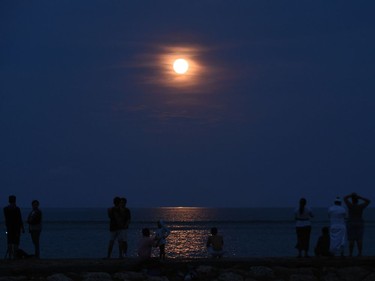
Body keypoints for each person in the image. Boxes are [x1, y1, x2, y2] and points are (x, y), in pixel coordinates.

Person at [344, 193, 371, 257]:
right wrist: (360, 197)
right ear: (357, 201)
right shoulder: (360, 206)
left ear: (352, 201)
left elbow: (345, 198)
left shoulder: (350, 205)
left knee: (351, 240)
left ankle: (350, 254)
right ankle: (360, 253)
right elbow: (368, 201)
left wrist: (351, 195)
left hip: (351, 223)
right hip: (359, 223)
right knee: (359, 239)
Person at [3, 195, 25, 259]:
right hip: (16, 227)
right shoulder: (17, 209)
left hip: (9, 227)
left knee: (9, 241)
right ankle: (14, 256)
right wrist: (22, 228)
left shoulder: (5, 209)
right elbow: (19, 219)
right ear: (15, 200)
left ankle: (10, 255)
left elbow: (6, 219)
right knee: (16, 242)